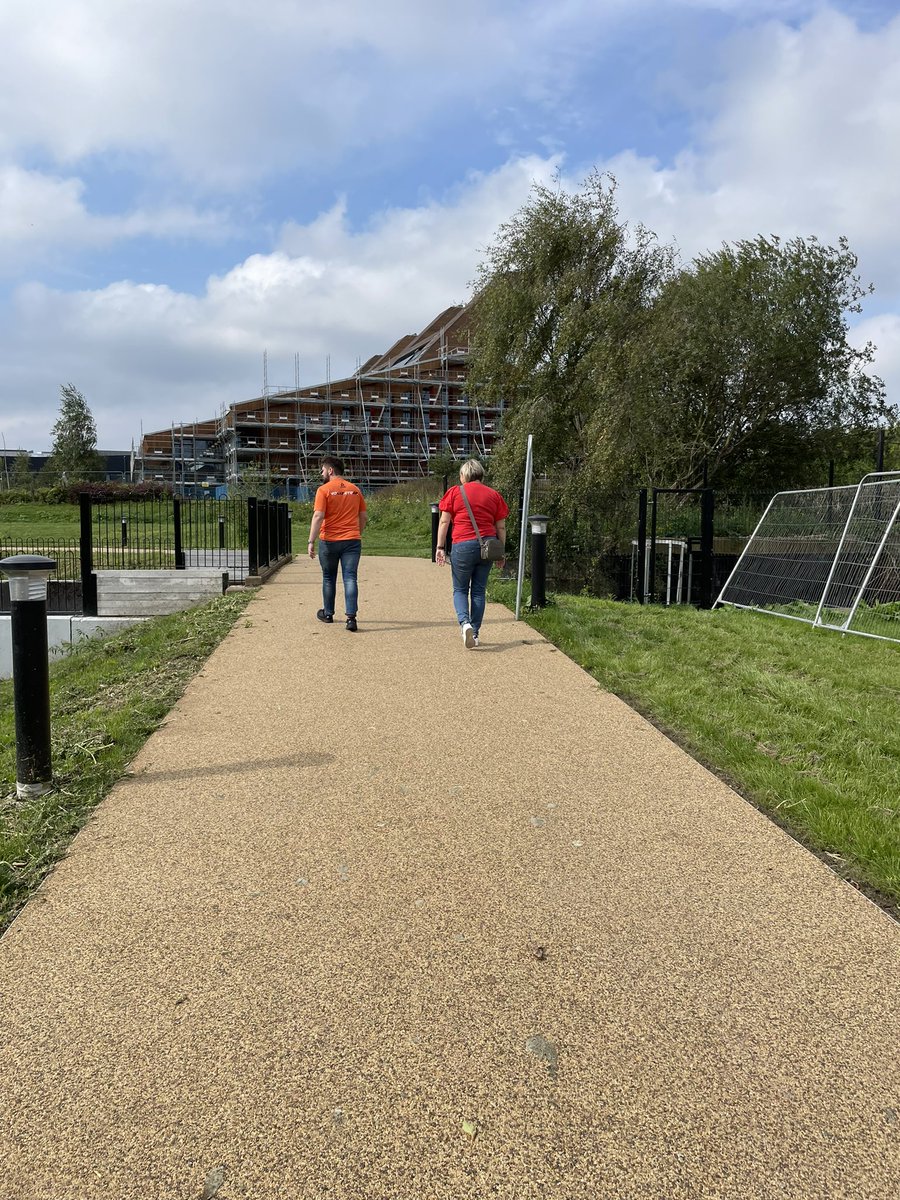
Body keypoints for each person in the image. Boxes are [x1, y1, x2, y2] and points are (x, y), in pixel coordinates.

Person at [435, 459, 508, 648]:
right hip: (487, 546)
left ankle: (465, 623)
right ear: (481, 475)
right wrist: (501, 552)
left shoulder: (454, 492)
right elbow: (500, 527)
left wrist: (440, 547)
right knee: (478, 590)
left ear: (463, 476)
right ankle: (474, 633)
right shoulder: (494, 495)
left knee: (460, 589)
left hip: (462, 545)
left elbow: (444, 522)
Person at [308, 457, 367, 632]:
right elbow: (363, 516)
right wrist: (356, 533)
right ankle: (351, 618)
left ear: (330, 470)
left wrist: (311, 541)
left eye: (322, 470)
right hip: (352, 541)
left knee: (329, 577)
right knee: (350, 577)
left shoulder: (323, 490)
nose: (322, 473)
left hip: (329, 541)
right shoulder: (355, 490)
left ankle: (328, 614)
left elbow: (318, 516)